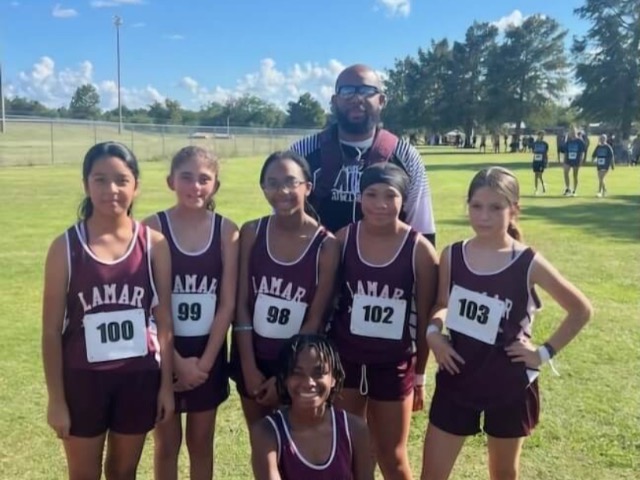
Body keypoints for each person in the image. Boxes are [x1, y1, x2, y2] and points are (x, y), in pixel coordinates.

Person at [420, 166, 592, 480]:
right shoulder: (453, 255)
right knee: (432, 474)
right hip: (458, 373)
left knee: (503, 473)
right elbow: (442, 304)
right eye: (476, 206)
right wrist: (433, 333)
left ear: (514, 210)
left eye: (495, 207)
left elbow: (580, 309)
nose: (484, 216)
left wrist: (542, 353)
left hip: (508, 383)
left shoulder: (527, 261)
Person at [41, 141, 175, 480]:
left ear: (136, 185)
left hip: (138, 377)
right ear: (86, 184)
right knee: (83, 474)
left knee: (123, 472)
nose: (111, 189)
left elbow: (164, 322)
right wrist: (56, 399)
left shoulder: (154, 244)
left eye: (121, 180)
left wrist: (165, 387)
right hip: (82, 380)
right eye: (99, 179)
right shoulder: (65, 247)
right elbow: (51, 332)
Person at [330, 163, 439, 479]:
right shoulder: (343, 239)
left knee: (392, 456)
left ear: (403, 200)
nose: (380, 204)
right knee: (348, 449)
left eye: (390, 195)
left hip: (394, 365)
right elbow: (329, 302)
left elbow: (425, 317)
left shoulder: (419, 249)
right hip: (347, 361)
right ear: (359, 197)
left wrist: (420, 375)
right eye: (371, 194)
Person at [144, 146, 239, 480]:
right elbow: (149, 303)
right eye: (186, 177)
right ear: (171, 181)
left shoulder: (227, 231)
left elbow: (227, 304)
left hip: (206, 354)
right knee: (166, 444)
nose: (195, 186)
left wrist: (204, 365)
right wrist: (175, 362)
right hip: (164, 354)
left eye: (204, 179)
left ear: (215, 185)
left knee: (201, 443)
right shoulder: (152, 229)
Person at [233, 151, 341, 427]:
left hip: (298, 367)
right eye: (272, 183)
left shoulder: (326, 246)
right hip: (252, 359)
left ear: (308, 187)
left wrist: (284, 377)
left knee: (296, 440)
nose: (282, 191)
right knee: (260, 438)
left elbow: (315, 320)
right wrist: (249, 368)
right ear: (263, 188)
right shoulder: (252, 232)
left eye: (291, 182)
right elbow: (241, 305)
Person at [290, 64, 436, 245]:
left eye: (367, 91)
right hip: (318, 260)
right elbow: (283, 222)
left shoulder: (406, 156)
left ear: (381, 100)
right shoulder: (302, 153)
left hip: (383, 261)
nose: (356, 98)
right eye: (347, 91)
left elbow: (423, 229)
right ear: (334, 101)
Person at [250, 334, 374, 480]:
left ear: (334, 379)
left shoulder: (355, 429)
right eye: (297, 373)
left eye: (318, 373)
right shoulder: (266, 433)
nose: (309, 383)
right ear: (284, 379)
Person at [562, 128, 586, 196]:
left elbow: (582, 152)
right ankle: (568, 189)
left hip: (576, 160)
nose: (572, 133)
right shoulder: (568, 141)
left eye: (573, 132)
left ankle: (574, 191)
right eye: (571, 132)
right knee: (565, 173)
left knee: (575, 175)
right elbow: (565, 152)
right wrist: (564, 161)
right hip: (568, 160)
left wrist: (581, 160)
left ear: (576, 132)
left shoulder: (580, 141)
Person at [531, 131, 550, 195]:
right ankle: (536, 189)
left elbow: (546, 153)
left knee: (540, 175)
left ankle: (543, 186)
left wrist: (546, 161)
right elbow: (533, 151)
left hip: (542, 161)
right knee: (536, 175)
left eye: (543, 135)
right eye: (541, 135)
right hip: (536, 161)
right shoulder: (534, 143)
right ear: (538, 135)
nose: (542, 136)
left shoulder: (545, 144)